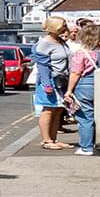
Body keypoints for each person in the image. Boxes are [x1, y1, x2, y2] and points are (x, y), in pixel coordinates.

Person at [32, 16, 72, 149]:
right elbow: (43, 66)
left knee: (58, 110)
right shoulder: (44, 43)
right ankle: (46, 140)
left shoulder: (60, 41)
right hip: (50, 81)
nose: (66, 27)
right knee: (48, 109)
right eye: (63, 25)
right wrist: (46, 84)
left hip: (61, 81)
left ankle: (54, 139)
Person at [68, 20, 100, 155]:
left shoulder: (81, 53)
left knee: (85, 117)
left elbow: (76, 73)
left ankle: (86, 147)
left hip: (84, 85)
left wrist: (69, 90)